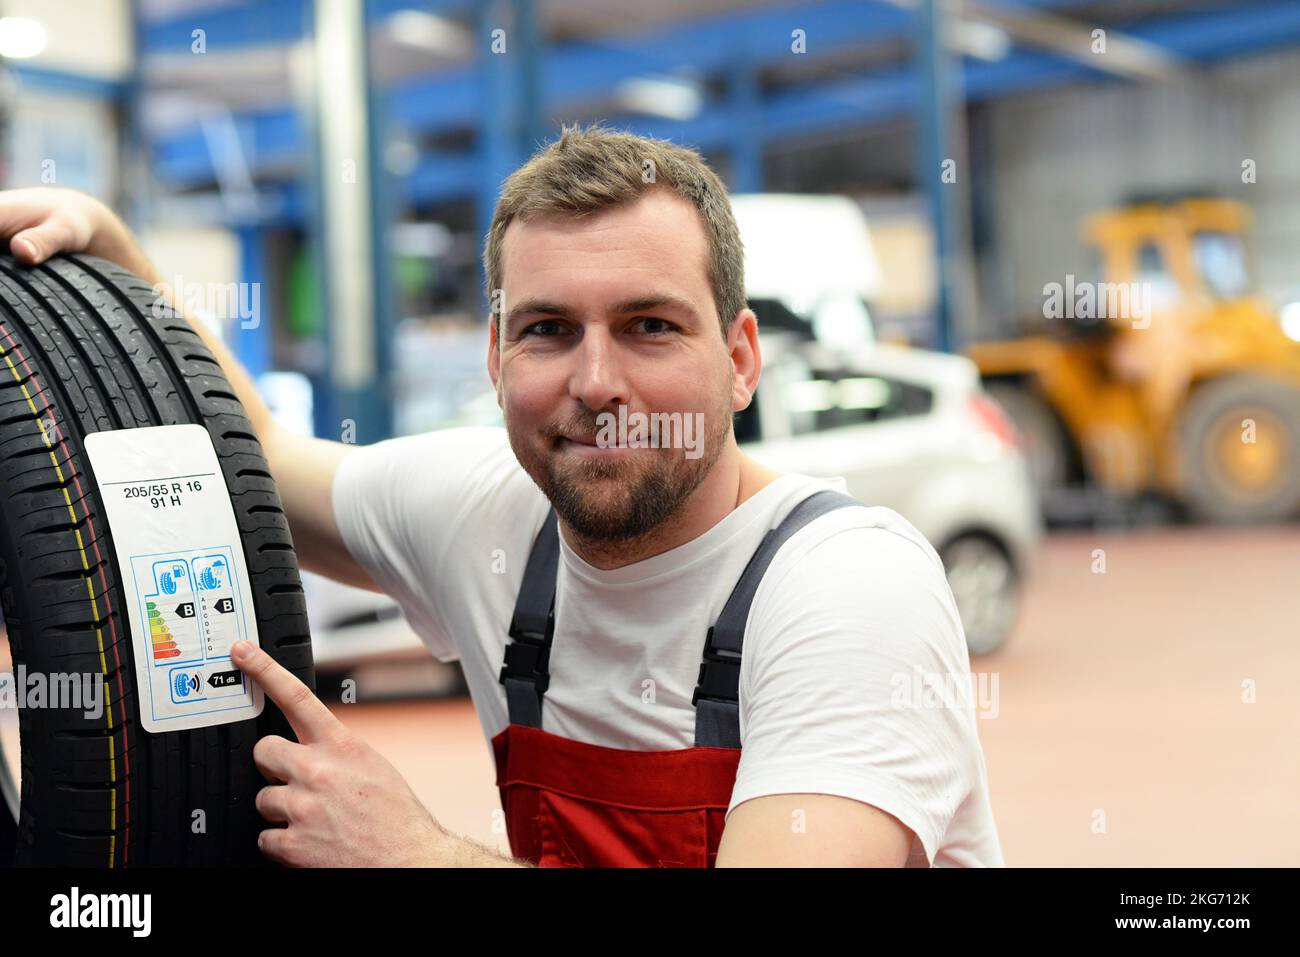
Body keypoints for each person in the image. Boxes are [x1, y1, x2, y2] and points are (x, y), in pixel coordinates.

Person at [0, 124, 1003, 867]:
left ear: (740, 361)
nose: (595, 381)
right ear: (495, 356)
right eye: (548, 329)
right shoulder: (486, 516)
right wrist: (116, 271)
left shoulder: (845, 588)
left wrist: (416, 855)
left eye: (650, 326)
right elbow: (249, 449)